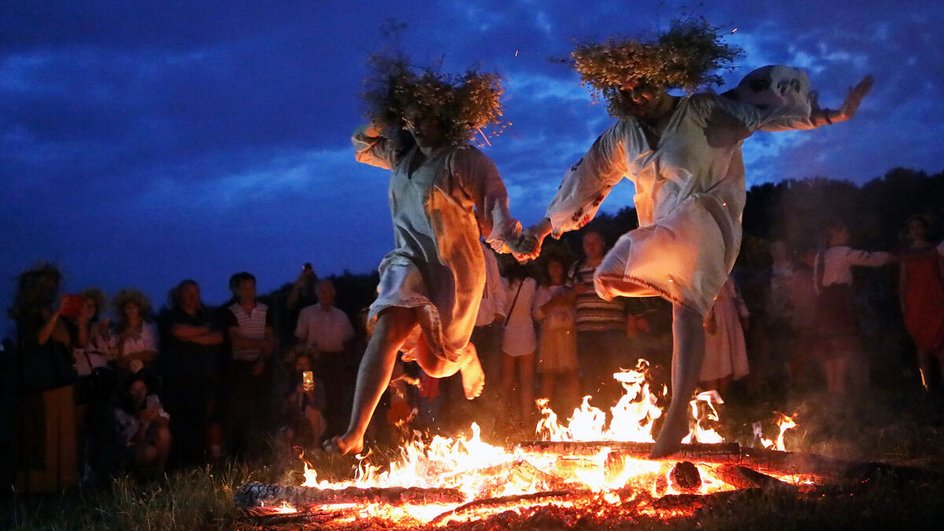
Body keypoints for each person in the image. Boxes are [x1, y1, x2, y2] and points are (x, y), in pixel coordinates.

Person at [517, 19, 873, 457]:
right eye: (626, 91)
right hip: (660, 232)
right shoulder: (622, 136)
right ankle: (686, 334)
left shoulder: (701, 109)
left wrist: (834, 114)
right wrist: (539, 230)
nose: (637, 96)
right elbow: (584, 183)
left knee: (680, 300)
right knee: (607, 281)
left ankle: (677, 411)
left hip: (706, 217)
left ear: (664, 76)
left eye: (644, 85)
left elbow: (762, 117)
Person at [325, 55, 524, 455]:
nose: (417, 127)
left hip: (453, 268)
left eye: (425, 118)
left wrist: (513, 239)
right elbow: (361, 145)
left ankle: (466, 356)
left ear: (448, 118)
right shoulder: (401, 155)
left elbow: (495, 204)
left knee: (436, 363)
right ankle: (355, 432)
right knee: (387, 330)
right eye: (411, 119)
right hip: (408, 262)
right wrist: (385, 114)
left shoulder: (463, 159)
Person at [10, 263, 78, 492]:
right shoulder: (28, 313)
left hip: (61, 379)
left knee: (64, 432)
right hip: (42, 383)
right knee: (44, 434)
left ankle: (63, 483)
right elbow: (39, 339)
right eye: (49, 284)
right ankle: (40, 486)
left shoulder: (55, 313)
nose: (53, 288)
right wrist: (57, 313)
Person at [813, 222, 894, 395]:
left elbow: (816, 283)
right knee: (842, 344)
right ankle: (839, 389)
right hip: (839, 302)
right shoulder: (843, 252)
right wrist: (891, 256)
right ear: (834, 233)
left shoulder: (820, 256)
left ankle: (832, 389)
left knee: (829, 345)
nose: (847, 234)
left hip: (824, 302)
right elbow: (870, 259)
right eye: (844, 231)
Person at [158, 279, 224, 466]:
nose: (193, 296)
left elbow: (217, 338)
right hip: (177, 379)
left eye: (196, 292)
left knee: (200, 421)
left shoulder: (208, 314)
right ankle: (177, 464)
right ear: (179, 295)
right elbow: (178, 331)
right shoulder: (170, 315)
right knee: (178, 422)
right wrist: (202, 331)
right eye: (188, 292)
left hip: (203, 378)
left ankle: (198, 463)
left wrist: (191, 337)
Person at [568, 229, 630, 406]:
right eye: (587, 243)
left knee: (615, 374)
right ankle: (595, 417)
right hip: (586, 332)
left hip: (613, 331)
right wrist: (574, 292)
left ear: (602, 244)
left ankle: (618, 414)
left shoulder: (614, 265)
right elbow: (567, 298)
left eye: (595, 242)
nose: (591, 246)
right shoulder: (576, 269)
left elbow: (629, 294)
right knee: (590, 375)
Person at [221, 272, 276, 457]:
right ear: (236, 289)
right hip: (238, 367)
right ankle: (237, 456)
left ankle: (264, 453)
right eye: (244, 288)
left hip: (262, 365)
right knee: (238, 412)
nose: (249, 291)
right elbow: (237, 341)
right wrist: (261, 343)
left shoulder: (265, 310)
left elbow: (270, 339)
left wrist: (261, 358)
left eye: (251, 287)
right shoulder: (229, 312)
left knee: (264, 411)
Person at [295, 279, 355, 437]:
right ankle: (312, 438)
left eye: (328, 291)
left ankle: (335, 436)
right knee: (311, 397)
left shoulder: (341, 315)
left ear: (333, 293)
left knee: (336, 398)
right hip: (314, 363)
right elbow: (300, 338)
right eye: (322, 291)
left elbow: (349, 339)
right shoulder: (307, 313)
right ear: (316, 293)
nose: (325, 295)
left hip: (336, 362)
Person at [897, 215, 944, 390]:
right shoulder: (906, 254)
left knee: (941, 343)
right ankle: (926, 386)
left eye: (919, 227)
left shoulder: (935, 250)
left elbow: (942, 273)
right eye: (912, 228)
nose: (916, 230)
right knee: (921, 345)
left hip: (935, 299)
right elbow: (903, 282)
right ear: (909, 232)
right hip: (915, 303)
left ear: (924, 229)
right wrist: (903, 304)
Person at [533, 255, 579, 412]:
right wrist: (553, 303)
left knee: (571, 375)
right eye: (551, 266)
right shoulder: (543, 290)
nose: (555, 269)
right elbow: (537, 314)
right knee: (548, 376)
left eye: (557, 265)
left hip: (567, 336)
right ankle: (544, 416)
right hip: (549, 337)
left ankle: (576, 412)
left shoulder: (569, 288)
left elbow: (575, 311)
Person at [500, 261, 539, 427]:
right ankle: (527, 420)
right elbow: (532, 306)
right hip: (527, 332)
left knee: (506, 381)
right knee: (527, 381)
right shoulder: (532, 283)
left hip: (508, 332)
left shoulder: (503, 282)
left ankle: (500, 420)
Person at [112, 372, 171, 481]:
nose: (139, 393)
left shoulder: (151, 400)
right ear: (127, 392)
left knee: (164, 433)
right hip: (130, 449)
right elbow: (134, 442)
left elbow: (166, 420)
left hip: (148, 440)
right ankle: (135, 480)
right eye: (134, 390)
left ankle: (158, 477)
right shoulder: (121, 412)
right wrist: (142, 424)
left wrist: (156, 417)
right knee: (149, 452)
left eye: (142, 389)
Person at [699, 276, 750, 399]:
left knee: (726, 360)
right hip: (714, 316)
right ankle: (710, 402)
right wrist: (707, 317)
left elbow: (734, 291)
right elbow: (700, 291)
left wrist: (743, 313)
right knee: (712, 363)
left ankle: (722, 401)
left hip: (727, 313)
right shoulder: (702, 266)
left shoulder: (724, 265)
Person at [278, 353, 327, 449]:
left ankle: (316, 446)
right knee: (287, 434)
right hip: (293, 420)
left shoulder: (316, 383)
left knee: (311, 411)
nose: (302, 368)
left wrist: (310, 394)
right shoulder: (289, 382)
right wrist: (296, 393)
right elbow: (283, 409)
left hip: (314, 422)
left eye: (306, 364)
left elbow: (321, 406)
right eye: (299, 364)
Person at [111, 289, 160, 376]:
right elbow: (117, 359)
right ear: (122, 310)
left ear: (140, 308)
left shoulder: (149, 327)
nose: (131, 310)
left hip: (146, 370)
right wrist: (122, 339)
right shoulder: (117, 329)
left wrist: (130, 357)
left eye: (134, 307)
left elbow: (153, 353)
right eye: (128, 307)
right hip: (124, 372)